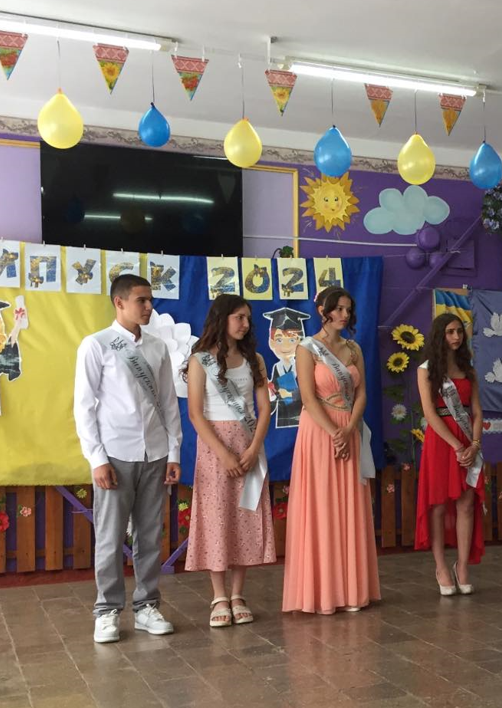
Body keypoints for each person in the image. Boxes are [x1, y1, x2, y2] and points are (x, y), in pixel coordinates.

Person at [74, 273, 181, 643]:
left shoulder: (157, 347)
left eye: (150, 300)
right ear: (119, 303)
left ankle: (147, 606)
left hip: (155, 452)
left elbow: (168, 403)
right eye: (141, 300)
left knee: (150, 535)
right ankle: (106, 611)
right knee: (110, 535)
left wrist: (174, 452)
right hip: (115, 453)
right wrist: (97, 458)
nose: (149, 307)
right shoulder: (96, 345)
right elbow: (84, 407)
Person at [282, 286, 381, 615]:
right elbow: (308, 397)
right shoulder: (306, 348)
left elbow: (362, 393)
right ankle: (322, 592)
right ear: (322, 310)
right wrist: (334, 433)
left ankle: (352, 590)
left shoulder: (354, 349)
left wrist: (349, 429)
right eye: (337, 309)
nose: (344, 315)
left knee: (349, 506)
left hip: (349, 428)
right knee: (322, 507)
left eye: (347, 309)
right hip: (319, 430)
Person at [183, 294, 276, 627]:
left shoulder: (255, 359)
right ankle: (219, 595)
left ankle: (238, 594)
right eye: (239, 317)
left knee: (244, 517)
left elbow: (264, 408)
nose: (245, 324)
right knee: (217, 517)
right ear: (221, 319)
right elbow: (195, 413)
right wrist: (223, 453)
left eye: (247, 318)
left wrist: (254, 448)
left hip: (248, 443)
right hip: (215, 447)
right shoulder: (200, 360)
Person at [416, 313, 486, 595]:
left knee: (466, 504)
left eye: (459, 331)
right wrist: (457, 446)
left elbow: (477, 411)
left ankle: (463, 566)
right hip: (441, 441)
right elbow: (430, 413)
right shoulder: (426, 370)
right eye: (450, 332)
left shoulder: (469, 370)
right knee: (438, 505)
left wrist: (474, 444)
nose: (456, 337)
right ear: (439, 335)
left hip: (468, 439)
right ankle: (441, 567)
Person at [264, 307, 309, 429]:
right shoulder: (277, 367)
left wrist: (290, 394)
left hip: (303, 416)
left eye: (292, 339)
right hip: (283, 417)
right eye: (279, 340)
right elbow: (274, 396)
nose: (286, 346)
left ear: (301, 341)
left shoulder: (303, 364)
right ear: (271, 342)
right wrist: (271, 392)